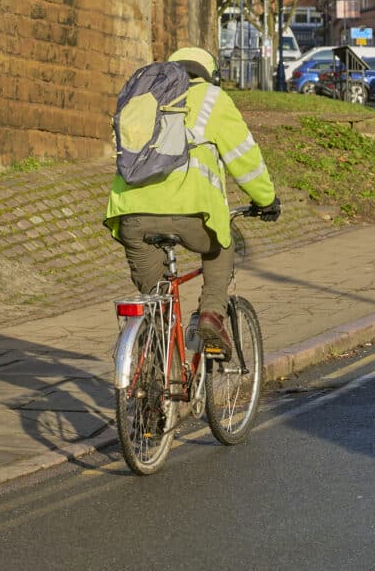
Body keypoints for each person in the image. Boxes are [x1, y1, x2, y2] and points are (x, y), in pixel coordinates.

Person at [104, 46, 280, 357]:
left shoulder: (143, 98)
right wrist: (266, 199)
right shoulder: (213, 98)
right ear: (210, 75)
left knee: (155, 304)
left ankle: (155, 369)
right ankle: (212, 314)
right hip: (192, 213)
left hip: (131, 213)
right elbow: (245, 159)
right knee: (222, 242)